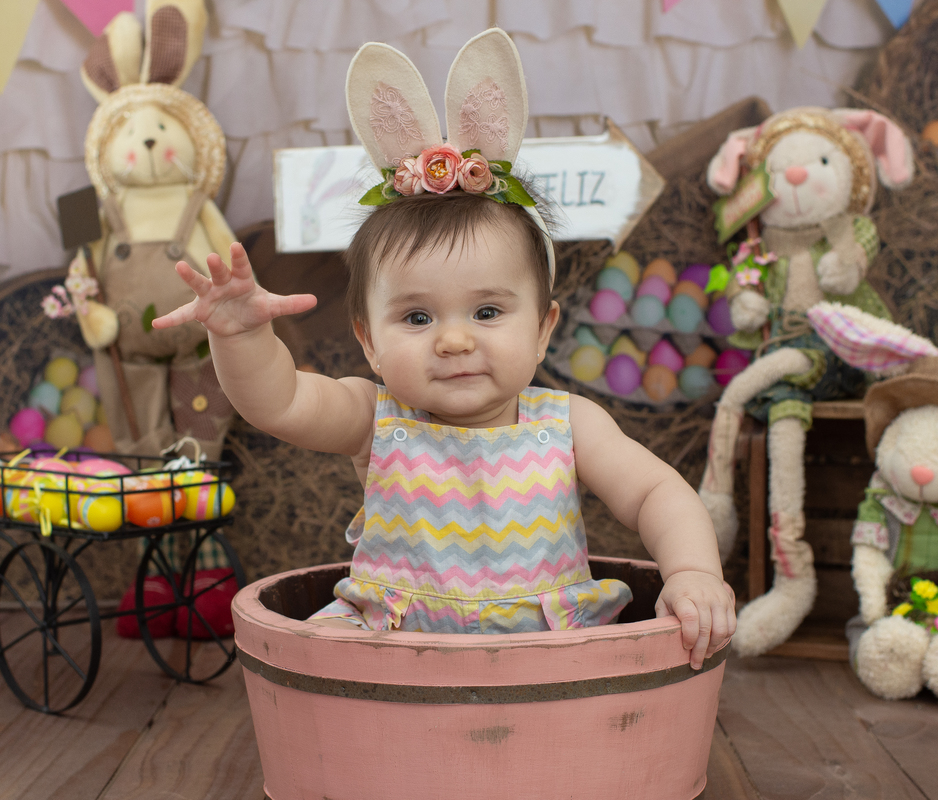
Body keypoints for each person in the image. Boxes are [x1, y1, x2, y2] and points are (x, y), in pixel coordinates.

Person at [153, 30, 734, 669]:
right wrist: (239, 334)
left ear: (543, 330)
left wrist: (692, 570)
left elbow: (657, 493)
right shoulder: (374, 420)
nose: (454, 340)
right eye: (417, 316)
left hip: (545, 664)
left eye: (488, 312)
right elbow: (280, 399)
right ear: (368, 341)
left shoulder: (568, 425)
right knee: (331, 679)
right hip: (395, 662)